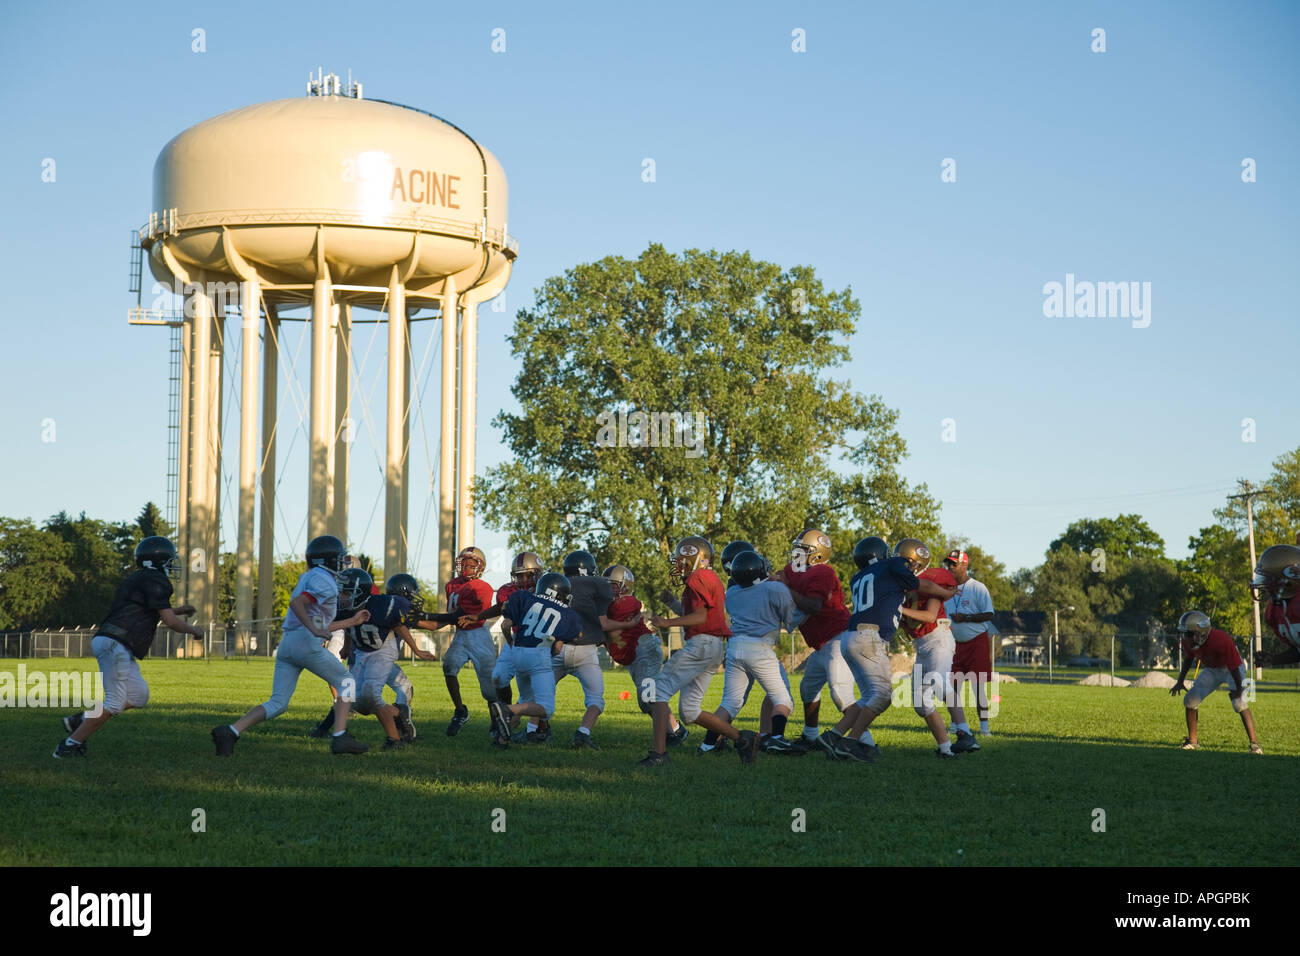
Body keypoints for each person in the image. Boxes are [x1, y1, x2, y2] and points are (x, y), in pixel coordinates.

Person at [211, 535, 372, 756]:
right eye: (338, 558)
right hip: (306, 643)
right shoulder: (324, 581)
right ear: (327, 560)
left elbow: (316, 618)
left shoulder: (311, 576)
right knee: (347, 682)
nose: (341, 562)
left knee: (278, 702)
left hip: (289, 643)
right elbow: (298, 604)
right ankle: (339, 736)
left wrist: (351, 622)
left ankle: (230, 732)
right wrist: (315, 630)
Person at [55, 536, 204, 758]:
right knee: (114, 703)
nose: (172, 565)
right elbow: (170, 622)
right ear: (158, 561)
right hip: (117, 643)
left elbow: (149, 610)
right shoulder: (157, 581)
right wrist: (195, 631)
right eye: (169, 560)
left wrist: (180, 610)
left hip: (115, 641)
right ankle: (69, 745)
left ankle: (83, 719)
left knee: (138, 695)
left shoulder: (139, 579)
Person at [822, 537, 959, 761]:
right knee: (883, 696)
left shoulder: (859, 577)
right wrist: (945, 594)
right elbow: (920, 585)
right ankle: (850, 743)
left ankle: (834, 736)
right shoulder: (891, 565)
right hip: (869, 637)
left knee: (868, 696)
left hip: (850, 637)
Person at [639, 536, 757, 767]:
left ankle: (659, 754)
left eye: (683, 560)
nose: (679, 565)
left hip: (701, 644)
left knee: (657, 692)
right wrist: (673, 603)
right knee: (690, 711)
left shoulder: (698, 577)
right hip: (711, 646)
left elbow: (700, 618)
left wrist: (665, 623)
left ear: (697, 559)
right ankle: (743, 739)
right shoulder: (707, 577)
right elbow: (701, 615)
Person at [771, 529, 853, 753]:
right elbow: (783, 575)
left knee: (840, 692)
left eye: (802, 550)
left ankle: (862, 740)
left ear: (817, 554)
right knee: (808, 689)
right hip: (822, 644)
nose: (796, 554)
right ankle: (810, 736)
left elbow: (813, 606)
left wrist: (785, 586)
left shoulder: (823, 572)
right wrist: (775, 579)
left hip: (838, 639)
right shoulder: (795, 570)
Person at [713, 550, 797, 753]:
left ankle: (708, 744)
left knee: (731, 703)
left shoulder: (731, 593)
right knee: (784, 700)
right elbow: (792, 620)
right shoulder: (774, 589)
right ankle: (776, 738)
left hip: (734, 648)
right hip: (759, 648)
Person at [898, 545, 978, 756]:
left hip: (939, 639)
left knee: (938, 682)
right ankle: (945, 748)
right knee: (919, 702)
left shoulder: (933, 579)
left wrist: (899, 610)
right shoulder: (904, 586)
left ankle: (964, 732)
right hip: (922, 645)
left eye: (904, 561)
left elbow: (930, 616)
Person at [488, 573, 583, 748]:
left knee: (525, 698)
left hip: (516, 650)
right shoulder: (567, 612)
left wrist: (511, 642)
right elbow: (566, 642)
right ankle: (507, 710)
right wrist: (553, 649)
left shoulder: (525, 597)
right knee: (546, 708)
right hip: (538, 655)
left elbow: (505, 625)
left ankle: (501, 740)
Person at [346, 572, 436, 749]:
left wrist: (455, 617)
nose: (341, 597)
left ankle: (396, 735)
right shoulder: (380, 606)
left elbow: (420, 624)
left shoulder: (386, 606)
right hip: (366, 656)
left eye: (344, 593)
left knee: (369, 697)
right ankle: (401, 714)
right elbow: (348, 625)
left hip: (380, 657)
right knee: (359, 703)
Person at [603, 564, 687, 745]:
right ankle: (676, 730)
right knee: (649, 697)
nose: (607, 589)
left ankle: (670, 737)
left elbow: (604, 624)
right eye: (605, 585)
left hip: (644, 650)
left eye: (612, 585)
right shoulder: (609, 605)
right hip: (634, 656)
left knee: (647, 697)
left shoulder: (627, 603)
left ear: (625, 586)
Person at [1170, 610, 1262, 754]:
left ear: (1201, 633)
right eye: (1185, 633)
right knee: (1190, 700)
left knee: (1239, 703)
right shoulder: (1189, 640)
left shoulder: (1221, 639)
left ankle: (1255, 744)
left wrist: (1239, 689)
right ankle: (1192, 741)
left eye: (1189, 634)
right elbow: (1188, 658)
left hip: (1233, 668)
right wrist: (1180, 680)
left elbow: (1233, 666)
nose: (1185, 637)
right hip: (1212, 669)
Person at [431, 546, 497, 736]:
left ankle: (496, 722)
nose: (466, 567)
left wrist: (428, 616)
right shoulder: (451, 585)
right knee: (449, 667)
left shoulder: (482, 587)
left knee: (489, 688)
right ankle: (460, 711)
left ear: (480, 567)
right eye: (464, 563)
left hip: (479, 635)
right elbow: (453, 616)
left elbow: (462, 614)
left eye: (471, 564)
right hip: (461, 634)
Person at [942, 550, 997, 736]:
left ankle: (984, 727)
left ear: (964, 565)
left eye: (953, 564)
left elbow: (989, 614)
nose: (949, 567)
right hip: (954, 644)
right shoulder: (946, 590)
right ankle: (955, 724)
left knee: (978, 686)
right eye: (948, 564)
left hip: (976, 642)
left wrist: (966, 617)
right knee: (953, 685)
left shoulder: (978, 587)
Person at [1252, 543, 1300, 666]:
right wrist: (1274, 659)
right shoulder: (1274, 611)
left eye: (1270, 579)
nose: (1265, 584)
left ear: (1290, 578)